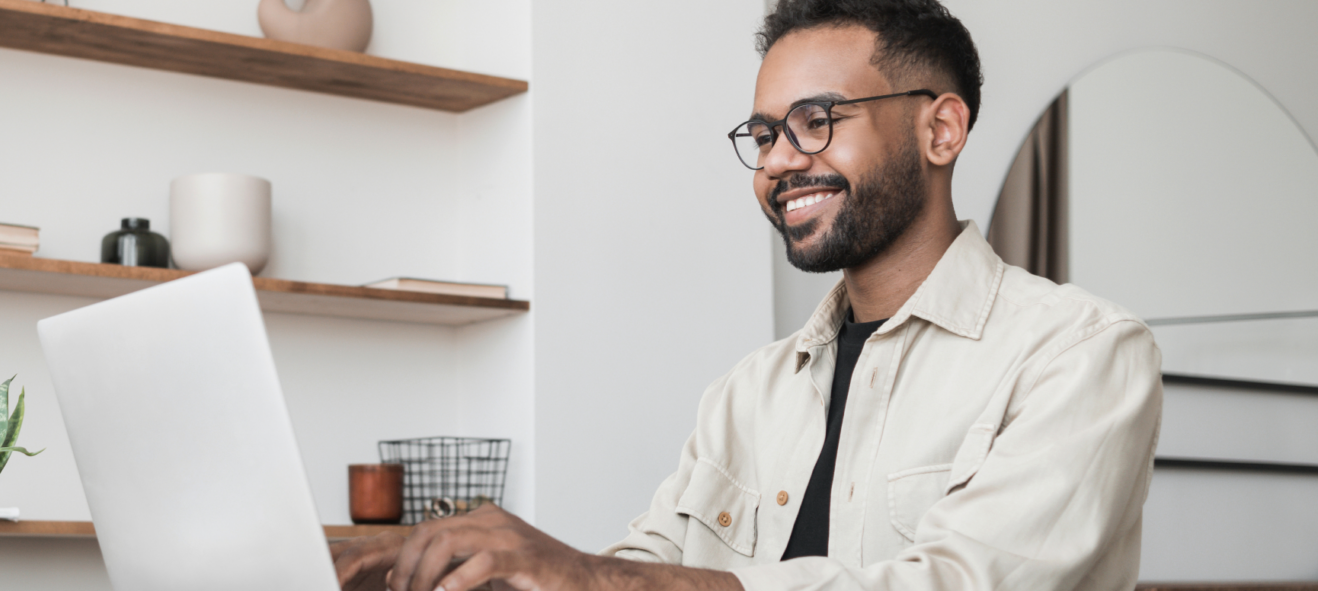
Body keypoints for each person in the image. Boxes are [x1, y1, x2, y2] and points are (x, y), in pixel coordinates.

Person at [329, 0, 1164, 589]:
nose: (776, 162)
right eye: (764, 135)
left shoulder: (1081, 354)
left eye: (815, 121)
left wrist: (583, 574)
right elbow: (644, 564)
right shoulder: (748, 393)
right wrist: (460, 567)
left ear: (939, 129)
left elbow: (960, 583)